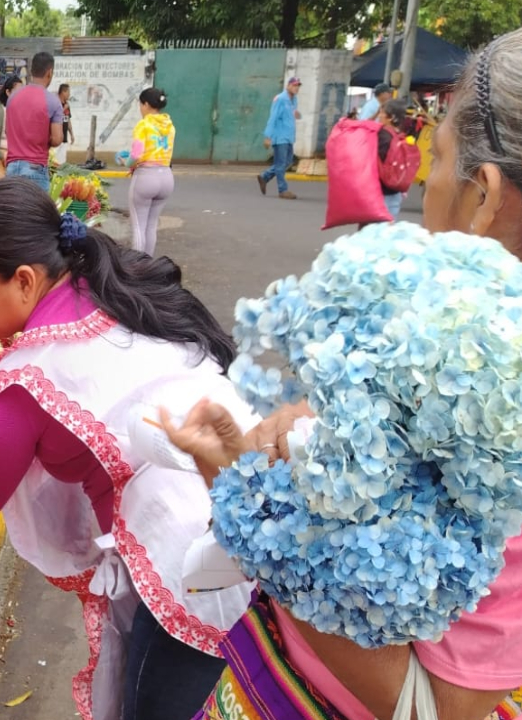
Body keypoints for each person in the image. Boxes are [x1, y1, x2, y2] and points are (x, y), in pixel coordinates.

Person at [165, 28, 522, 720]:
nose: (424, 179)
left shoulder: (501, 418)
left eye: (437, 158)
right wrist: (256, 465)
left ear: (482, 194)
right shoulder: (425, 344)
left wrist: (261, 520)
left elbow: (432, 711)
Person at [0, 177, 260, 720]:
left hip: (187, 569)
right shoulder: (104, 293)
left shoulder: (23, 381)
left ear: (23, 281)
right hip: (255, 521)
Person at [125, 88, 175, 257]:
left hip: (146, 177)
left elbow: (136, 154)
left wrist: (126, 162)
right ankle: (148, 266)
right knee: (151, 226)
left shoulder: (143, 125)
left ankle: (137, 268)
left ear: (146, 104)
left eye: (140, 104)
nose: (140, 108)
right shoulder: (169, 126)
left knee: (138, 227)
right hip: (166, 177)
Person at [5, 52, 64, 191]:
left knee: (13, 212)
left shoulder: (13, 97)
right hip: (35, 168)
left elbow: (8, 131)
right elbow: (56, 139)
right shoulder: (53, 101)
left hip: (12, 168)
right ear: (49, 72)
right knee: (35, 212)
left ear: (31, 71)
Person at [257, 77, 302, 200]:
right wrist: (268, 136)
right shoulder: (280, 99)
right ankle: (283, 190)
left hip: (289, 137)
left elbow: (292, 114)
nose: (296, 88)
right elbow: (273, 118)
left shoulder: (294, 100)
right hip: (280, 136)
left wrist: (298, 115)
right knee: (281, 163)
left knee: (287, 162)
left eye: (298, 85)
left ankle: (265, 176)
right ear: (288, 86)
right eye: (294, 85)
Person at [376, 98, 409, 220]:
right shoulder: (400, 136)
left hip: (381, 192)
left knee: (375, 231)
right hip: (395, 191)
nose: (379, 116)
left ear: (391, 117)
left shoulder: (382, 136)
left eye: (382, 113)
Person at [55, 83, 75, 165]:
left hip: (64, 138)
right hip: (56, 138)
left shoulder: (67, 105)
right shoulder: (55, 104)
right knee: (54, 161)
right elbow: (56, 116)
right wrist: (64, 109)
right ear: (63, 92)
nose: (69, 95)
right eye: (68, 92)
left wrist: (72, 134)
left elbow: (68, 120)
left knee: (62, 162)